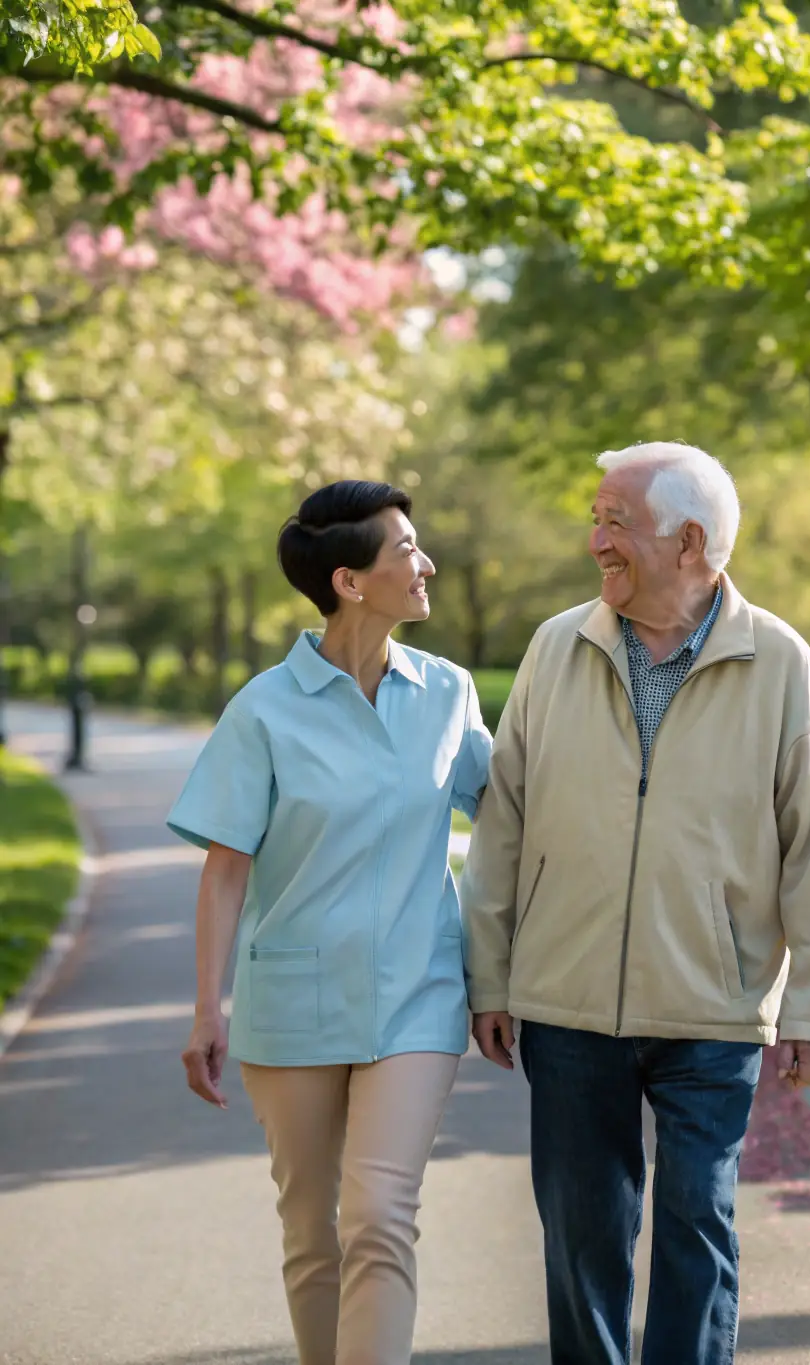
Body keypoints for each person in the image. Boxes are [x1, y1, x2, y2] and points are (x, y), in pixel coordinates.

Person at [460, 442, 810, 1365]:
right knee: (582, 1236)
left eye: (615, 521)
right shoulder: (558, 646)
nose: (595, 538)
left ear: (689, 542)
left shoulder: (779, 662)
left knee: (696, 1224)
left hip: (714, 1005)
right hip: (565, 995)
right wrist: (491, 973)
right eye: (595, 517)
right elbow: (504, 821)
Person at [167, 479, 491, 1365]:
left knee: (380, 1217)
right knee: (313, 1234)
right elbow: (226, 868)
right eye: (407, 551)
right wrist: (207, 1009)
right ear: (350, 580)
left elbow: (512, 812)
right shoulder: (264, 711)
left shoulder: (447, 693)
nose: (426, 565)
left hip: (418, 996)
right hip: (293, 1003)